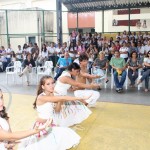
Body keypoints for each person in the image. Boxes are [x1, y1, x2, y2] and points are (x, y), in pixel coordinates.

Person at [19, 75, 81, 150]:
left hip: (51, 124)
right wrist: (63, 97)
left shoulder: (52, 95)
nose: (52, 86)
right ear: (43, 87)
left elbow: (57, 111)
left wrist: (59, 100)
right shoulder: (41, 97)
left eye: (52, 83)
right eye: (48, 84)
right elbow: (63, 98)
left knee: (65, 136)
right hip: (42, 125)